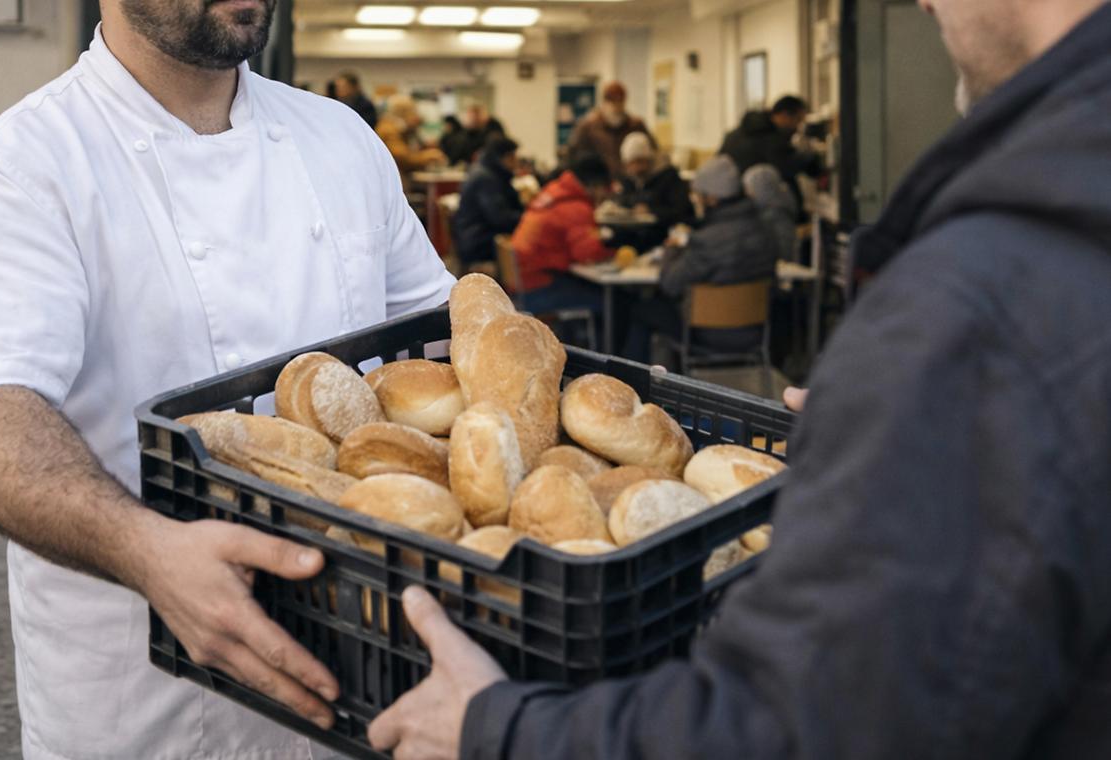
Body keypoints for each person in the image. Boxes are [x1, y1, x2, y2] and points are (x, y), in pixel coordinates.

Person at [367, 0, 1111, 758]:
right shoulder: (1040, 255)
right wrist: (904, 413)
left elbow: (801, 726)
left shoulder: (992, 282)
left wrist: (498, 729)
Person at [0, 1, 455, 758]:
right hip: (144, 697)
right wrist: (143, 550)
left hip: (366, 664)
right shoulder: (22, 167)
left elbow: (447, 340)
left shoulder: (340, 140)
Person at [620, 155, 775, 364]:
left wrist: (672, 250)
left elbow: (670, 283)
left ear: (712, 198)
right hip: (756, 331)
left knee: (643, 309)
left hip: (709, 332)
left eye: (699, 195)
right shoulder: (764, 230)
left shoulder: (707, 241)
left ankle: (634, 381)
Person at [510, 153, 614, 316]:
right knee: (611, 300)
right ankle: (596, 341)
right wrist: (613, 251)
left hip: (520, 283)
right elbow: (587, 253)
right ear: (596, 185)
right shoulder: (576, 207)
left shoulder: (552, 191)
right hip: (539, 287)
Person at [718, 95, 822, 219]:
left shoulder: (735, 134)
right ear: (784, 115)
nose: (798, 128)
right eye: (798, 120)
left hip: (730, 209)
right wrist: (810, 154)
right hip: (759, 215)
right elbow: (789, 169)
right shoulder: (773, 140)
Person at [613, 131, 695, 252]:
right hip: (637, 235)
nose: (636, 168)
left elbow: (681, 211)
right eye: (631, 163)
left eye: (639, 161)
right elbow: (624, 199)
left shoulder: (669, 177)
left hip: (665, 236)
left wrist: (651, 210)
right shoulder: (628, 179)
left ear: (649, 158)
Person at [452, 137, 525, 269]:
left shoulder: (483, 171)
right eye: (513, 157)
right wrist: (527, 218)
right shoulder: (487, 180)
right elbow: (500, 218)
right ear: (505, 157)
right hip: (479, 244)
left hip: (471, 237)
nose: (516, 163)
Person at [567, 81, 656, 179]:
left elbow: (653, 150)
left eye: (620, 101)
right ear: (604, 102)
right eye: (612, 101)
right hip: (599, 183)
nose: (616, 106)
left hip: (630, 180)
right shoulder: (587, 127)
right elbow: (574, 155)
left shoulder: (635, 125)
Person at [376, 93, 447, 176]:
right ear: (402, 112)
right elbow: (403, 158)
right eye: (413, 111)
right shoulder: (388, 129)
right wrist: (428, 156)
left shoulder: (400, 128)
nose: (415, 115)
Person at [743, 163, 799, 262]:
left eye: (749, 189)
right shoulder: (778, 210)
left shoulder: (776, 217)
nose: (747, 194)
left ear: (761, 191)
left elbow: (783, 255)